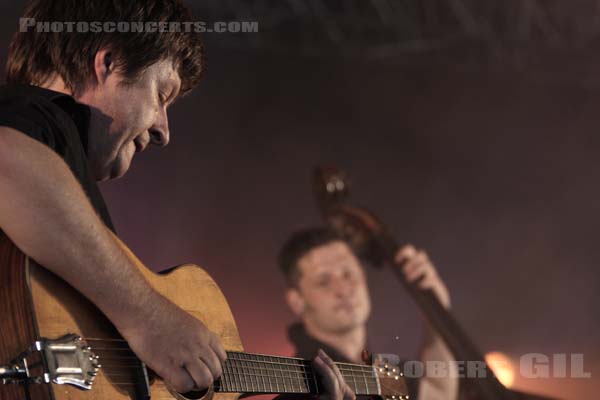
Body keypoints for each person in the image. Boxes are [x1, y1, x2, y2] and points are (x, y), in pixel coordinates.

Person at [0, 1, 353, 399]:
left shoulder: (62, 209)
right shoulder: (35, 115)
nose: (164, 131)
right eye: (162, 94)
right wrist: (150, 317)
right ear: (109, 63)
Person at [278, 227, 459, 400]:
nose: (343, 289)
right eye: (324, 281)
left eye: (348, 273)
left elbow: (437, 393)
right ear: (297, 301)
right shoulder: (301, 382)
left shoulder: (374, 373)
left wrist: (436, 306)